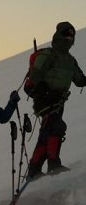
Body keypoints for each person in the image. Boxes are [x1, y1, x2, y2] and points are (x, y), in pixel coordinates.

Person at [26, 22, 86, 178]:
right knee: (56, 127)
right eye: (66, 35)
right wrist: (46, 92)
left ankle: (34, 169)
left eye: (72, 36)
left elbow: (80, 80)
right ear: (59, 35)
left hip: (58, 101)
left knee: (48, 132)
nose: (69, 39)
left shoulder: (70, 60)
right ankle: (52, 164)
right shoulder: (48, 55)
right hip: (44, 100)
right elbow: (35, 75)